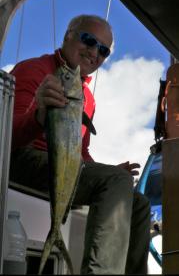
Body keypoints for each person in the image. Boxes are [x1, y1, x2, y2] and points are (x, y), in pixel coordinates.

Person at [10, 14, 150, 274]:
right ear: (68, 36)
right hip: (22, 160)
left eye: (104, 50)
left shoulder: (86, 96)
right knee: (114, 181)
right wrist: (39, 117)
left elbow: (80, 151)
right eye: (89, 40)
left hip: (64, 168)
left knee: (138, 203)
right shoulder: (33, 70)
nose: (94, 52)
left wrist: (108, 170)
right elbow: (7, 136)